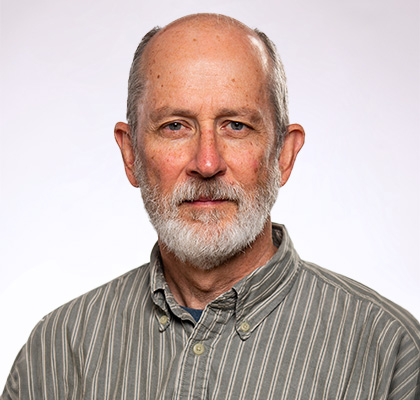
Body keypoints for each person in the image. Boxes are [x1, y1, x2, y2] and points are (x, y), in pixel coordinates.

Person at [2, 13, 419, 400]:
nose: (206, 163)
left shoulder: (391, 355)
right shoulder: (56, 350)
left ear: (283, 155)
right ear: (131, 155)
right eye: (175, 126)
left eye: (236, 126)